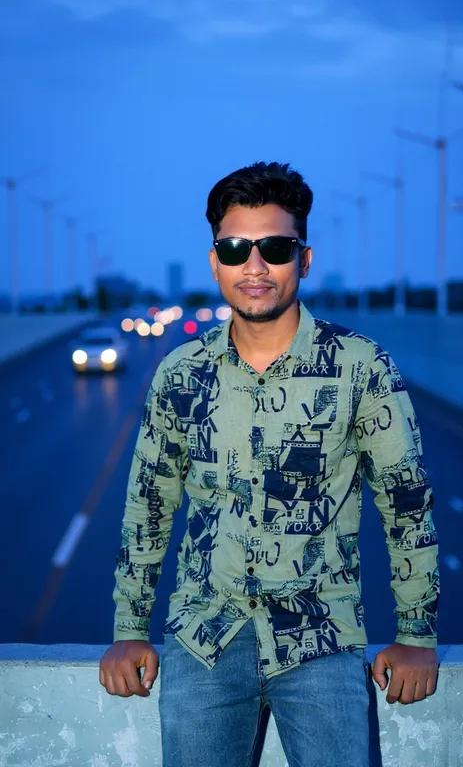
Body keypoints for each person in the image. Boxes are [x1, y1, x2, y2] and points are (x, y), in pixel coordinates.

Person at [99, 161, 440, 767]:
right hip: (204, 639)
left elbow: (406, 503)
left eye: (275, 247)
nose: (254, 267)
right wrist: (130, 628)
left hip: (322, 639)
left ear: (303, 259)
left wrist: (415, 635)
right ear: (215, 261)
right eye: (235, 249)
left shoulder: (360, 367)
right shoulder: (181, 373)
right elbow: (149, 505)